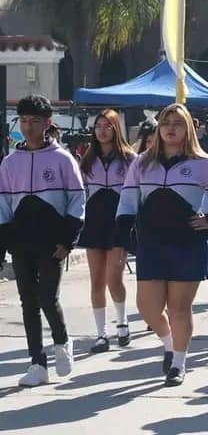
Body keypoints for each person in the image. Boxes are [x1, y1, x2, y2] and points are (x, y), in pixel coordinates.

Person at [116, 103, 208, 387]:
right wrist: (122, 236)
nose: (171, 128)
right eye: (166, 123)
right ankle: (170, 342)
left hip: (188, 243)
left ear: (188, 129)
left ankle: (178, 363)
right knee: (147, 307)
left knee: (179, 307)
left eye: (178, 123)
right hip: (151, 242)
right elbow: (128, 199)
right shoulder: (142, 162)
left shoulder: (202, 162)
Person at [0, 95, 85, 387]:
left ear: (47, 123)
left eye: (34, 121)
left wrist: (68, 240)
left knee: (47, 297)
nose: (28, 127)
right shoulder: (10, 163)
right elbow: (3, 205)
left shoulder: (63, 159)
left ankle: (62, 341)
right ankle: (37, 363)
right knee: (28, 302)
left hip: (53, 243)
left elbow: (77, 200)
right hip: (22, 242)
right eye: (23, 120)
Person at [78, 109, 137, 353]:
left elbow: (137, 190)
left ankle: (122, 323)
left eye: (107, 126)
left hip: (118, 221)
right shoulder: (87, 158)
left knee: (114, 278)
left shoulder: (129, 158)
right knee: (96, 280)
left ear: (116, 129)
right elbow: (81, 190)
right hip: (94, 221)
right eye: (98, 126)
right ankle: (101, 334)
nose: (102, 131)